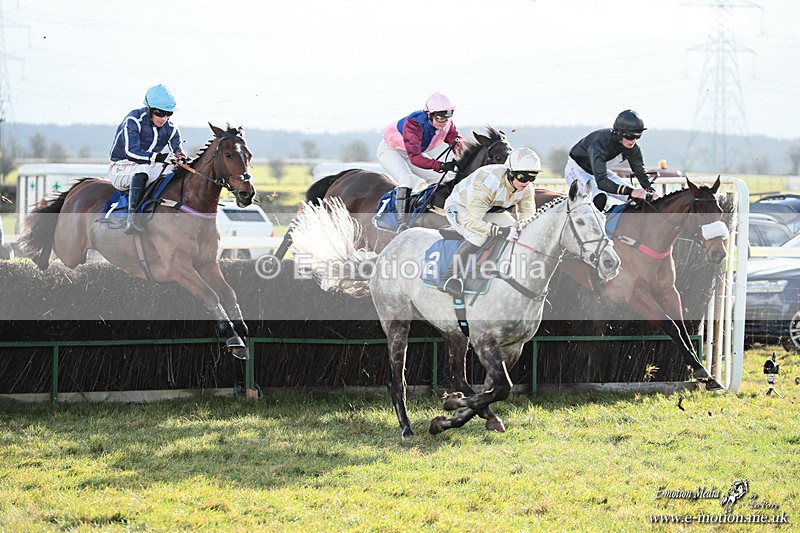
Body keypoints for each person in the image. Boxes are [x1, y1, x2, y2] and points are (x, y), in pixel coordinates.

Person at [440, 147, 542, 295]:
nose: (527, 182)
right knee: (479, 235)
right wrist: (500, 231)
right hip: (460, 207)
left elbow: (527, 216)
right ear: (511, 173)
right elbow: (473, 221)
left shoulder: (527, 187)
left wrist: (524, 229)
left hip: (488, 210)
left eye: (532, 178)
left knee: (515, 229)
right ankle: (449, 278)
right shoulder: (489, 182)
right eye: (522, 177)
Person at [108, 84, 186, 234]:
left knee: (174, 170)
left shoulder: (171, 128)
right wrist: (159, 157)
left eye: (168, 113)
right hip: (121, 166)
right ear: (149, 109)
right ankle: (132, 219)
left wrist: (181, 159)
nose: (164, 118)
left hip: (149, 166)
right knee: (143, 169)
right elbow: (131, 152)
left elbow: (178, 151)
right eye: (160, 113)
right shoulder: (133, 120)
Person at [377, 92, 462, 227]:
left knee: (440, 178)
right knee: (406, 179)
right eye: (440, 118)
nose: (444, 122)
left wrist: (464, 159)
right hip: (390, 150)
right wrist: (441, 165)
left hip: (410, 152)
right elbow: (416, 158)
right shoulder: (414, 124)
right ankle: (402, 222)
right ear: (429, 114)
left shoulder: (447, 123)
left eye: (448, 117)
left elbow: (457, 142)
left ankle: (427, 211)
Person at [565, 109, 658, 212]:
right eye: (630, 136)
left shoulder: (633, 148)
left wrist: (650, 191)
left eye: (638, 136)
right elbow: (602, 183)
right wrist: (631, 191)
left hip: (600, 172)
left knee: (639, 198)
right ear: (619, 133)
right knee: (600, 197)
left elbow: (640, 173)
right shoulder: (599, 143)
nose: (634, 141)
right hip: (578, 171)